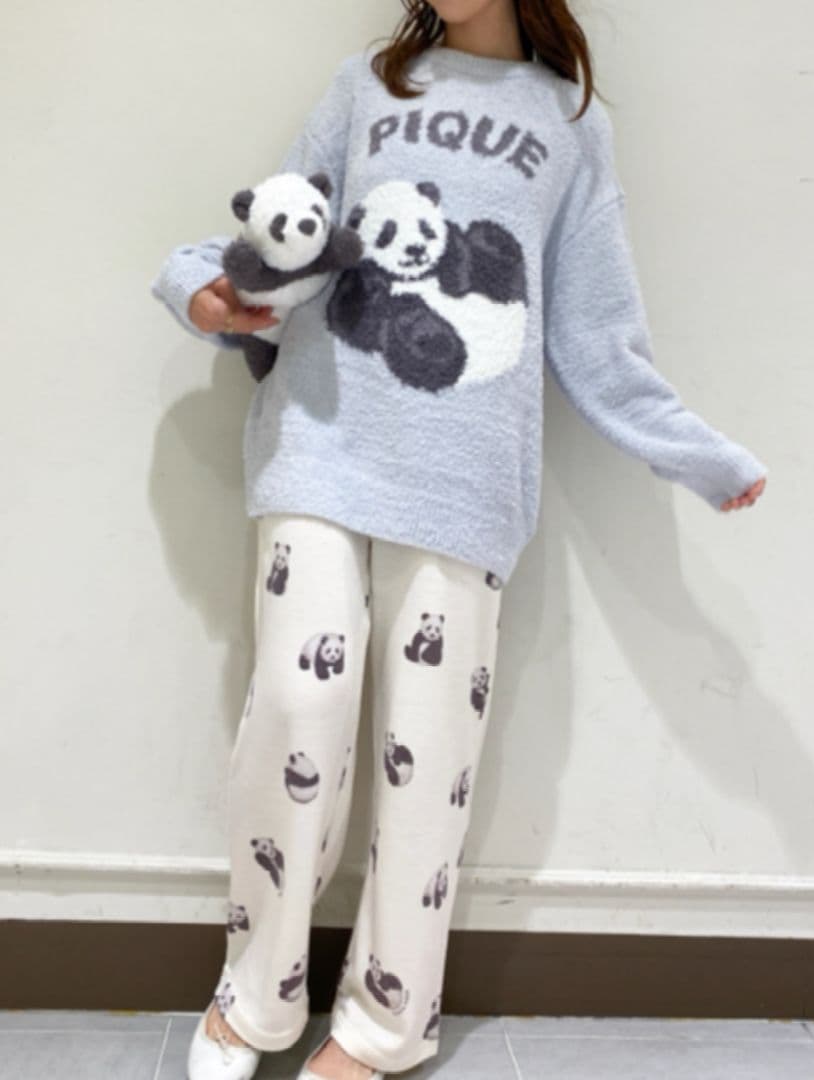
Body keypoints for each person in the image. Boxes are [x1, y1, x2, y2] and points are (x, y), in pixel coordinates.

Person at [150, 2, 768, 1078]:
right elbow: (286, 234)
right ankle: (254, 999)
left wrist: (698, 454)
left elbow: (596, 332)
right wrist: (199, 290)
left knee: (426, 754)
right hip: (321, 443)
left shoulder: (571, 125)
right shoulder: (365, 87)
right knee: (297, 706)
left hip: (466, 479)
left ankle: (383, 1025)